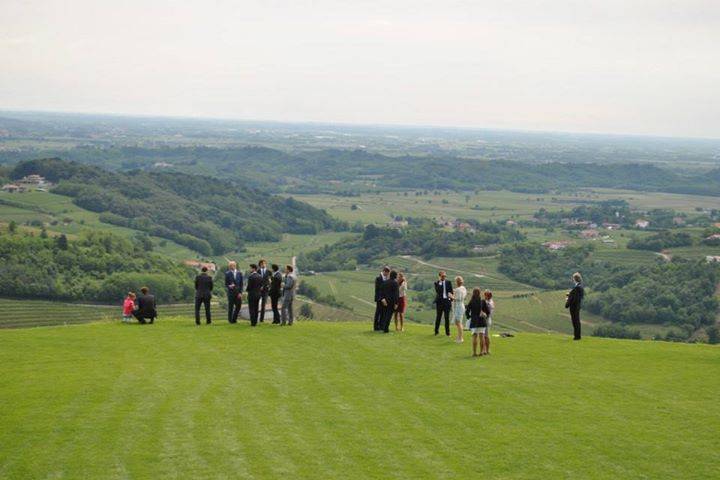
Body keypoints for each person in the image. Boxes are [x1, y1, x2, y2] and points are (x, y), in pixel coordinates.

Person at [465, 288, 491, 357]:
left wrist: (469, 317)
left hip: (474, 321)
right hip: (482, 321)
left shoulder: (471, 301)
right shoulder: (482, 301)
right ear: (480, 293)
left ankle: (474, 353)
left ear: (473, 293)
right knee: (482, 337)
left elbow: (467, 311)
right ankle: (481, 352)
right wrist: (485, 315)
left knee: (474, 337)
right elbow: (488, 312)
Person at [565, 272, 585, 340]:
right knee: (576, 321)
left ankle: (577, 336)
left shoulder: (577, 287)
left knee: (575, 321)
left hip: (574, 306)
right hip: (577, 306)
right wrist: (570, 295)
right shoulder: (580, 286)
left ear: (574, 279)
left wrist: (568, 301)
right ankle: (577, 335)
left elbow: (574, 298)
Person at [434, 271, 453, 336]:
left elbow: (451, 291)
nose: (444, 277)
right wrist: (440, 282)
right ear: (439, 276)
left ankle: (448, 333)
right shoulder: (436, 283)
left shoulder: (448, 282)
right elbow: (438, 291)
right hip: (439, 302)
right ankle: (436, 332)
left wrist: (450, 299)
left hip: (447, 302)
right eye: (442, 276)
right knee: (438, 317)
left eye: (445, 276)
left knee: (447, 317)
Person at [373, 266, 390, 331]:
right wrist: (382, 298)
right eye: (387, 273)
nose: (388, 275)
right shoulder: (378, 278)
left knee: (383, 313)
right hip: (379, 298)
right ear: (385, 272)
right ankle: (376, 327)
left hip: (385, 299)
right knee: (378, 313)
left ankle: (381, 326)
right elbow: (378, 290)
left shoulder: (386, 278)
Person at [452, 276, 467, 343]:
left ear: (457, 282)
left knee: (458, 322)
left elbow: (457, 298)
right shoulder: (463, 288)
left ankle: (460, 338)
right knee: (457, 322)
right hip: (461, 305)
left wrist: (451, 296)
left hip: (458, 306)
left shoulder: (458, 289)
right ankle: (459, 337)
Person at [483, 290, 495, 354]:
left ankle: (486, 350)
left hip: (486, 319)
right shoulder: (491, 301)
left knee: (486, 335)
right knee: (485, 335)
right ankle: (485, 350)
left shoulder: (487, 303)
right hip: (488, 319)